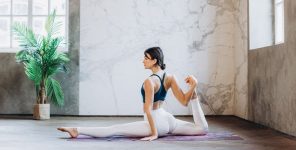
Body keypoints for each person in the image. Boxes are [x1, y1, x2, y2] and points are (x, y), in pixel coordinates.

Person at [57, 47, 208, 141]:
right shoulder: (170, 77)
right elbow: (184, 101)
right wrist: (193, 86)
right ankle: (195, 95)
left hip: (156, 123)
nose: (143, 61)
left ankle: (77, 130)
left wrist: (154, 133)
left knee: (115, 130)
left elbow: (148, 110)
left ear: (154, 60)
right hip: (168, 119)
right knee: (201, 129)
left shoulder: (150, 82)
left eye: (146, 58)